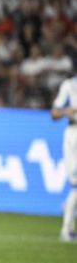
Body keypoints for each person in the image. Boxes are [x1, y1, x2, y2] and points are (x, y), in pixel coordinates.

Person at [51, 74, 77, 241]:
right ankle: (67, 229)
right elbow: (54, 113)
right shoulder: (69, 85)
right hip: (74, 134)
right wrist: (68, 111)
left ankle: (69, 207)